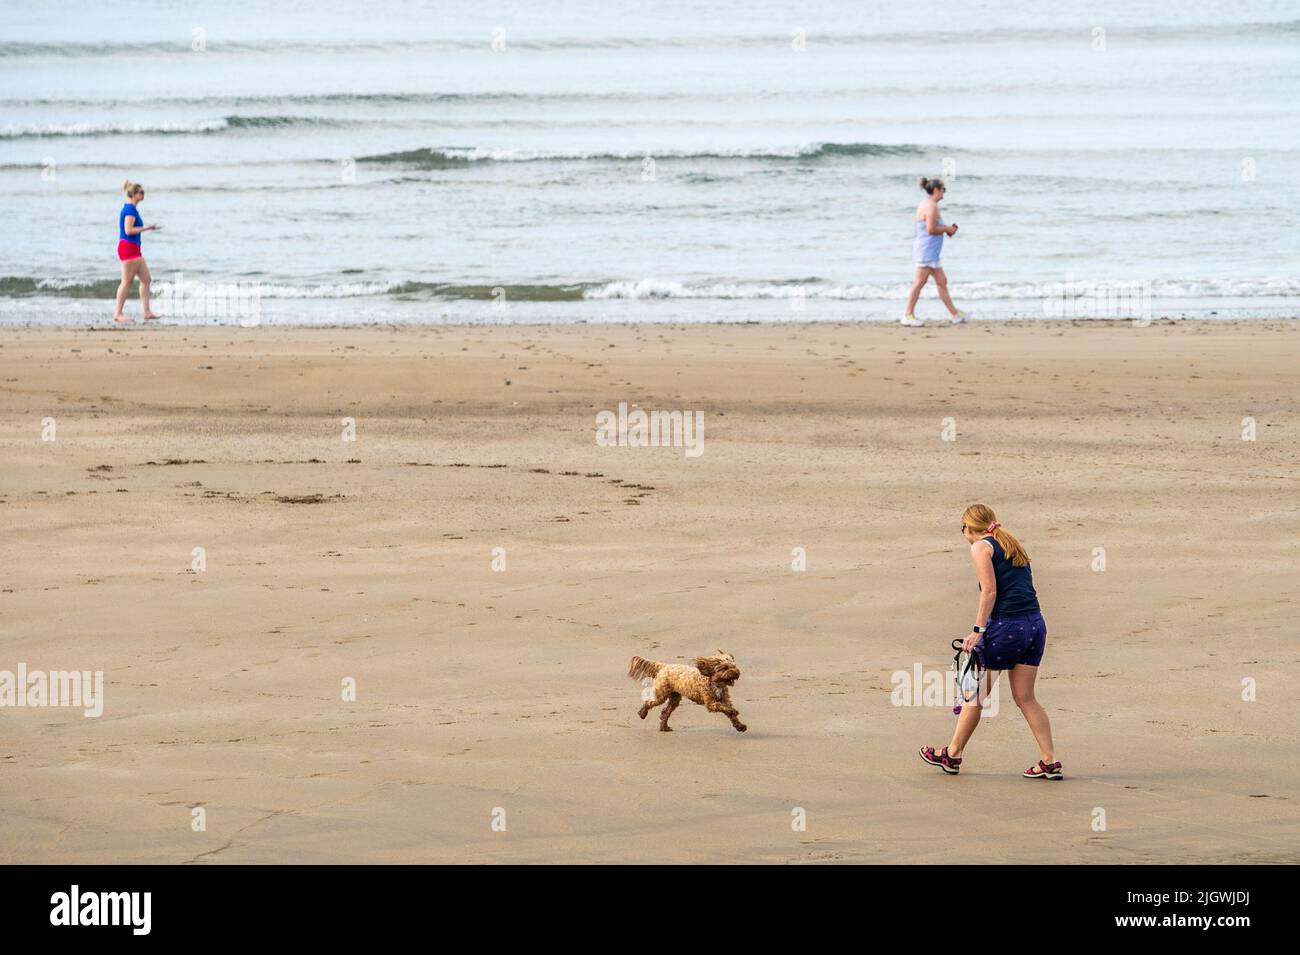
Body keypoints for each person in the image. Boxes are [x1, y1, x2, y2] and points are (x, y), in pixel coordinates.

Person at [919, 504, 1063, 779]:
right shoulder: (1011, 543)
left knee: (974, 695)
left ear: (968, 529)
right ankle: (1050, 761)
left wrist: (978, 630)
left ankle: (952, 754)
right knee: (1026, 698)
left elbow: (989, 591)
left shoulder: (981, 547)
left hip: (1006, 628)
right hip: (1035, 625)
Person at [902, 177, 967, 326]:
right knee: (919, 282)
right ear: (936, 190)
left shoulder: (929, 204)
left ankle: (955, 315)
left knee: (941, 281)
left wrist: (947, 229)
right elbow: (931, 229)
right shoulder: (930, 206)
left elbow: (932, 227)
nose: (944, 192)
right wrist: (946, 229)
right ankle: (908, 315)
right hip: (926, 250)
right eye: (943, 189)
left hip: (931, 251)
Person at [114, 180, 161, 324]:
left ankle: (147, 312)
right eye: (141, 192)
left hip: (135, 249)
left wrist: (147, 228)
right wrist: (147, 228)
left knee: (146, 279)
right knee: (126, 282)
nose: (143, 194)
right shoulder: (129, 210)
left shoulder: (132, 209)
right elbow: (128, 230)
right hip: (128, 248)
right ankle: (118, 314)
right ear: (134, 194)